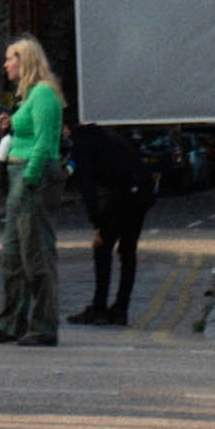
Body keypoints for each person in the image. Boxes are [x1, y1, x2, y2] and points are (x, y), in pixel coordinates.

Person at [0, 37, 67, 345]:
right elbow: (29, 132)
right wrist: (13, 124)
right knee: (13, 254)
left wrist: (30, 177)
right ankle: (10, 323)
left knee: (36, 253)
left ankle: (44, 326)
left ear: (25, 61)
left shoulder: (43, 94)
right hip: (21, 173)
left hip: (34, 175)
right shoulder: (29, 96)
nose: (5, 65)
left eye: (10, 59)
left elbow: (44, 142)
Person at [76, 110, 157, 324]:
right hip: (142, 189)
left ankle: (99, 307)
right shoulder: (105, 135)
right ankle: (120, 308)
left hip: (125, 192)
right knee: (127, 251)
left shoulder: (82, 143)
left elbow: (88, 189)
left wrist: (98, 225)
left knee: (102, 248)